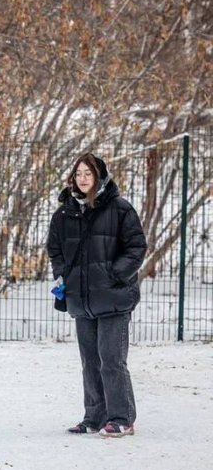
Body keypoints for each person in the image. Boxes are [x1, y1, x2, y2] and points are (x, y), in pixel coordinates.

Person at [46, 152, 147, 437]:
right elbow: (54, 248)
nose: (82, 178)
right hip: (81, 299)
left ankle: (121, 417)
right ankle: (94, 416)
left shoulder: (120, 209)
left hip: (113, 298)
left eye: (88, 173)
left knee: (111, 359)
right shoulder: (64, 212)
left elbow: (137, 247)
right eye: (78, 173)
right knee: (90, 361)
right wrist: (64, 274)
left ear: (99, 176)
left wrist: (115, 275)